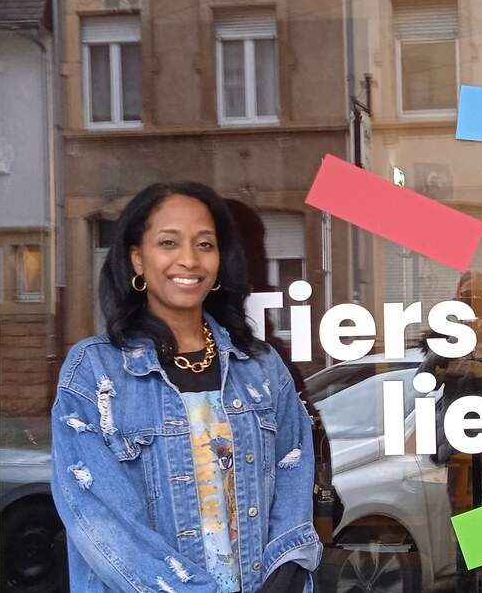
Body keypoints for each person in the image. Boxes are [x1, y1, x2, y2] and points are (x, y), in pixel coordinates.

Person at [50, 181, 320, 593]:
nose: (189, 260)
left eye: (205, 244)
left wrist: (283, 578)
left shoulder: (261, 368)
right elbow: (99, 518)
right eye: (169, 243)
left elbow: (293, 478)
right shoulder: (95, 372)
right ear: (137, 259)